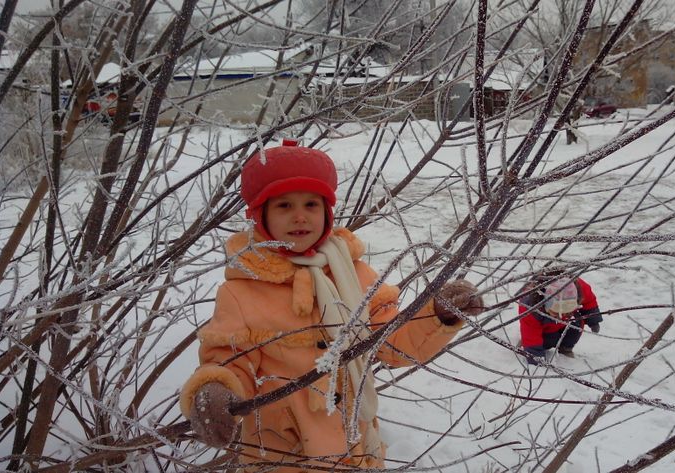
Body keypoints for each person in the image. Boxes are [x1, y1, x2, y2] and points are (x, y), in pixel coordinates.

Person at [179, 142, 485, 471]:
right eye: (284, 205)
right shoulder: (242, 291)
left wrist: (437, 314)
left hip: (354, 443)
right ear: (260, 216)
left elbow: (393, 344)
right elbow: (231, 363)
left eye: (311, 204)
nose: (300, 216)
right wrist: (216, 390)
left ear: (327, 212)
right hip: (282, 451)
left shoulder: (354, 275)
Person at [518, 275, 602, 364]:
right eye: (556, 313)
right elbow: (531, 333)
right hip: (545, 327)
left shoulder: (578, 287)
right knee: (545, 341)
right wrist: (535, 358)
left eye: (567, 312)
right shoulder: (530, 307)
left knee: (577, 323)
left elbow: (589, 300)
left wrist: (593, 320)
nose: (561, 316)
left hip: (567, 323)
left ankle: (566, 348)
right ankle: (527, 344)